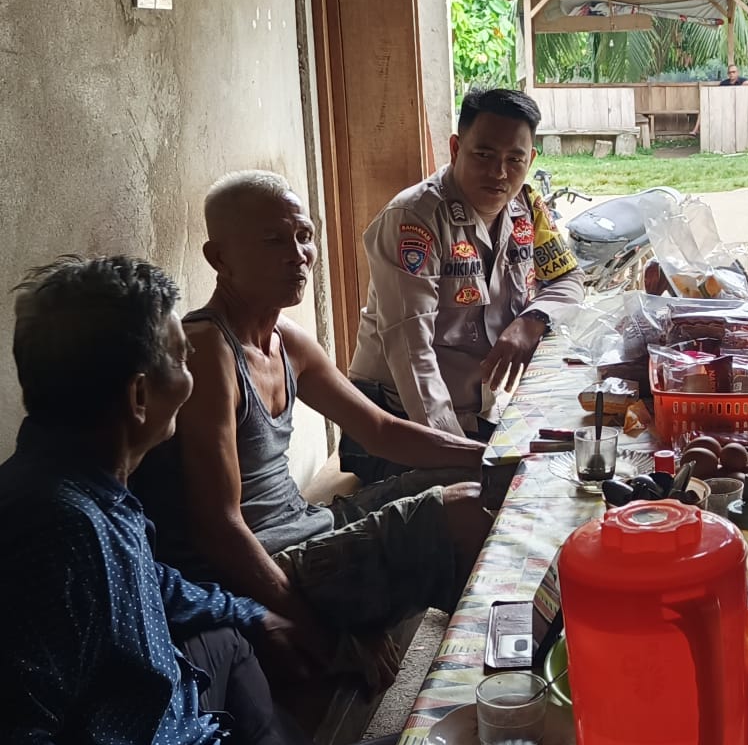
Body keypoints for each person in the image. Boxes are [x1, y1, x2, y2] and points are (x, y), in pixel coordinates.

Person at [0, 258, 395, 745]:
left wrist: (253, 613)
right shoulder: (56, 531)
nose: (194, 370)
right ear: (141, 396)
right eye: (181, 358)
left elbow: (156, 583)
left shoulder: (85, 487)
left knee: (233, 644)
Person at [134, 171, 490, 677]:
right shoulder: (208, 351)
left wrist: (491, 455)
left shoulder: (287, 339)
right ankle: (486, 679)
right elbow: (221, 530)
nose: (298, 254)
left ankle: (487, 655)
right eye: (273, 240)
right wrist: (320, 638)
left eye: (304, 236)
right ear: (219, 259)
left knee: (483, 481)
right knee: (467, 510)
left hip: (314, 527)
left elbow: (381, 431)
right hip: (271, 565)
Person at [344, 86, 584, 482]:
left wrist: (531, 321)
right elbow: (412, 355)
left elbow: (569, 279)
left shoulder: (527, 207)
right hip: (399, 423)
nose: (499, 173)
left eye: (514, 159)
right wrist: (460, 460)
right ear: (456, 148)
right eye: (484, 155)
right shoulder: (414, 219)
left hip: (483, 413)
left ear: (532, 160)